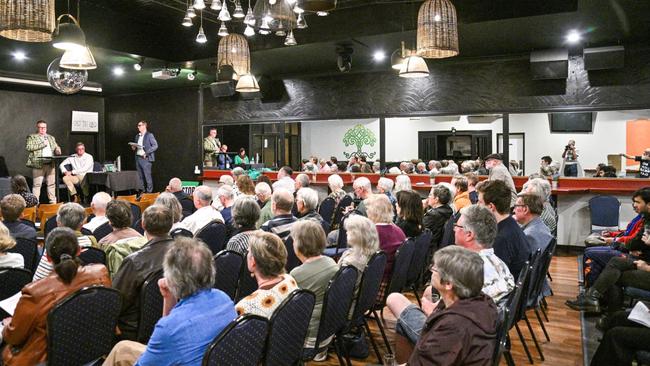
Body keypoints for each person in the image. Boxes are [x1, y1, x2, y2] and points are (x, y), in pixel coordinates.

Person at [103, 237, 237, 366]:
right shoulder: (224, 300)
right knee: (122, 349)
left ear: (172, 278)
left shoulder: (169, 329)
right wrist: (168, 297)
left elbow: (168, 335)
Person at [1, 227, 110, 366]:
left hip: (45, 359)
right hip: (92, 350)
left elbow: (14, 337)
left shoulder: (35, 292)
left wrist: (7, 326)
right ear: (79, 250)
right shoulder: (101, 273)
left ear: (47, 257)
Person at [388, 246, 497, 365]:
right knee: (403, 324)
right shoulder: (483, 301)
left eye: (434, 269)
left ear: (448, 283)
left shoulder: (453, 326)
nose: (431, 271)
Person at [112, 205, 175, 340]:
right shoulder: (186, 253)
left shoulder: (134, 262)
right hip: (175, 321)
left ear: (142, 224)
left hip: (135, 331)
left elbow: (116, 302)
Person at [289, 220, 339, 353]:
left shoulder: (297, 274)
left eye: (294, 240)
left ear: (299, 244)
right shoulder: (331, 262)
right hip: (328, 330)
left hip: (309, 338)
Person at [235, 231, 298, 318]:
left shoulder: (244, 308)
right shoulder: (289, 280)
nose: (247, 254)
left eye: (248, 251)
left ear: (253, 262)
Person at [477, 180, 532, 280]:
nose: (477, 206)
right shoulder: (511, 225)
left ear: (491, 207)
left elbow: (494, 279)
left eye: (480, 202)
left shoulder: (501, 238)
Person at [33, 202, 97, 281]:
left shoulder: (53, 247)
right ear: (82, 224)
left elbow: (38, 280)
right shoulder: (91, 242)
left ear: (58, 223)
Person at [365, 194, 406, 298]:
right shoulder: (398, 230)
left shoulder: (372, 232)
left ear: (372, 212)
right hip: (393, 285)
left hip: (376, 287)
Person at [25, 120, 61, 203]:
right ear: (37, 128)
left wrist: (57, 149)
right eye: (40, 127)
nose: (42, 129)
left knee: (52, 185)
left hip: (50, 164)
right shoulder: (32, 137)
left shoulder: (51, 137)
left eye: (44, 127)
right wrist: (42, 144)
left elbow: (56, 146)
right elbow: (29, 147)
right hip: (38, 164)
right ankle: (35, 205)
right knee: (37, 185)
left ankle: (53, 204)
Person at [423, 185, 453, 249]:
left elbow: (419, 230)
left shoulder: (432, 215)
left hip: (428, 248)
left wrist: (421, 209)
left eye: (430, 195)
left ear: (436, 200)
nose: (428, 197)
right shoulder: (448, 210)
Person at [132, 120, 158, 193]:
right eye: (138, 126)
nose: (138, 127)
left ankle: (149, 193)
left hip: (145, 158)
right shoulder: (137, 136)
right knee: (140, 177)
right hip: (138, 158)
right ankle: (142, 192)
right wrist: (133, 147)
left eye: (139, 125)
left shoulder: (149, 135)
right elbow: (136, 147)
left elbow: (155, 146)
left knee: (147, 177)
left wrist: (146, 153)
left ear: (144, 126)